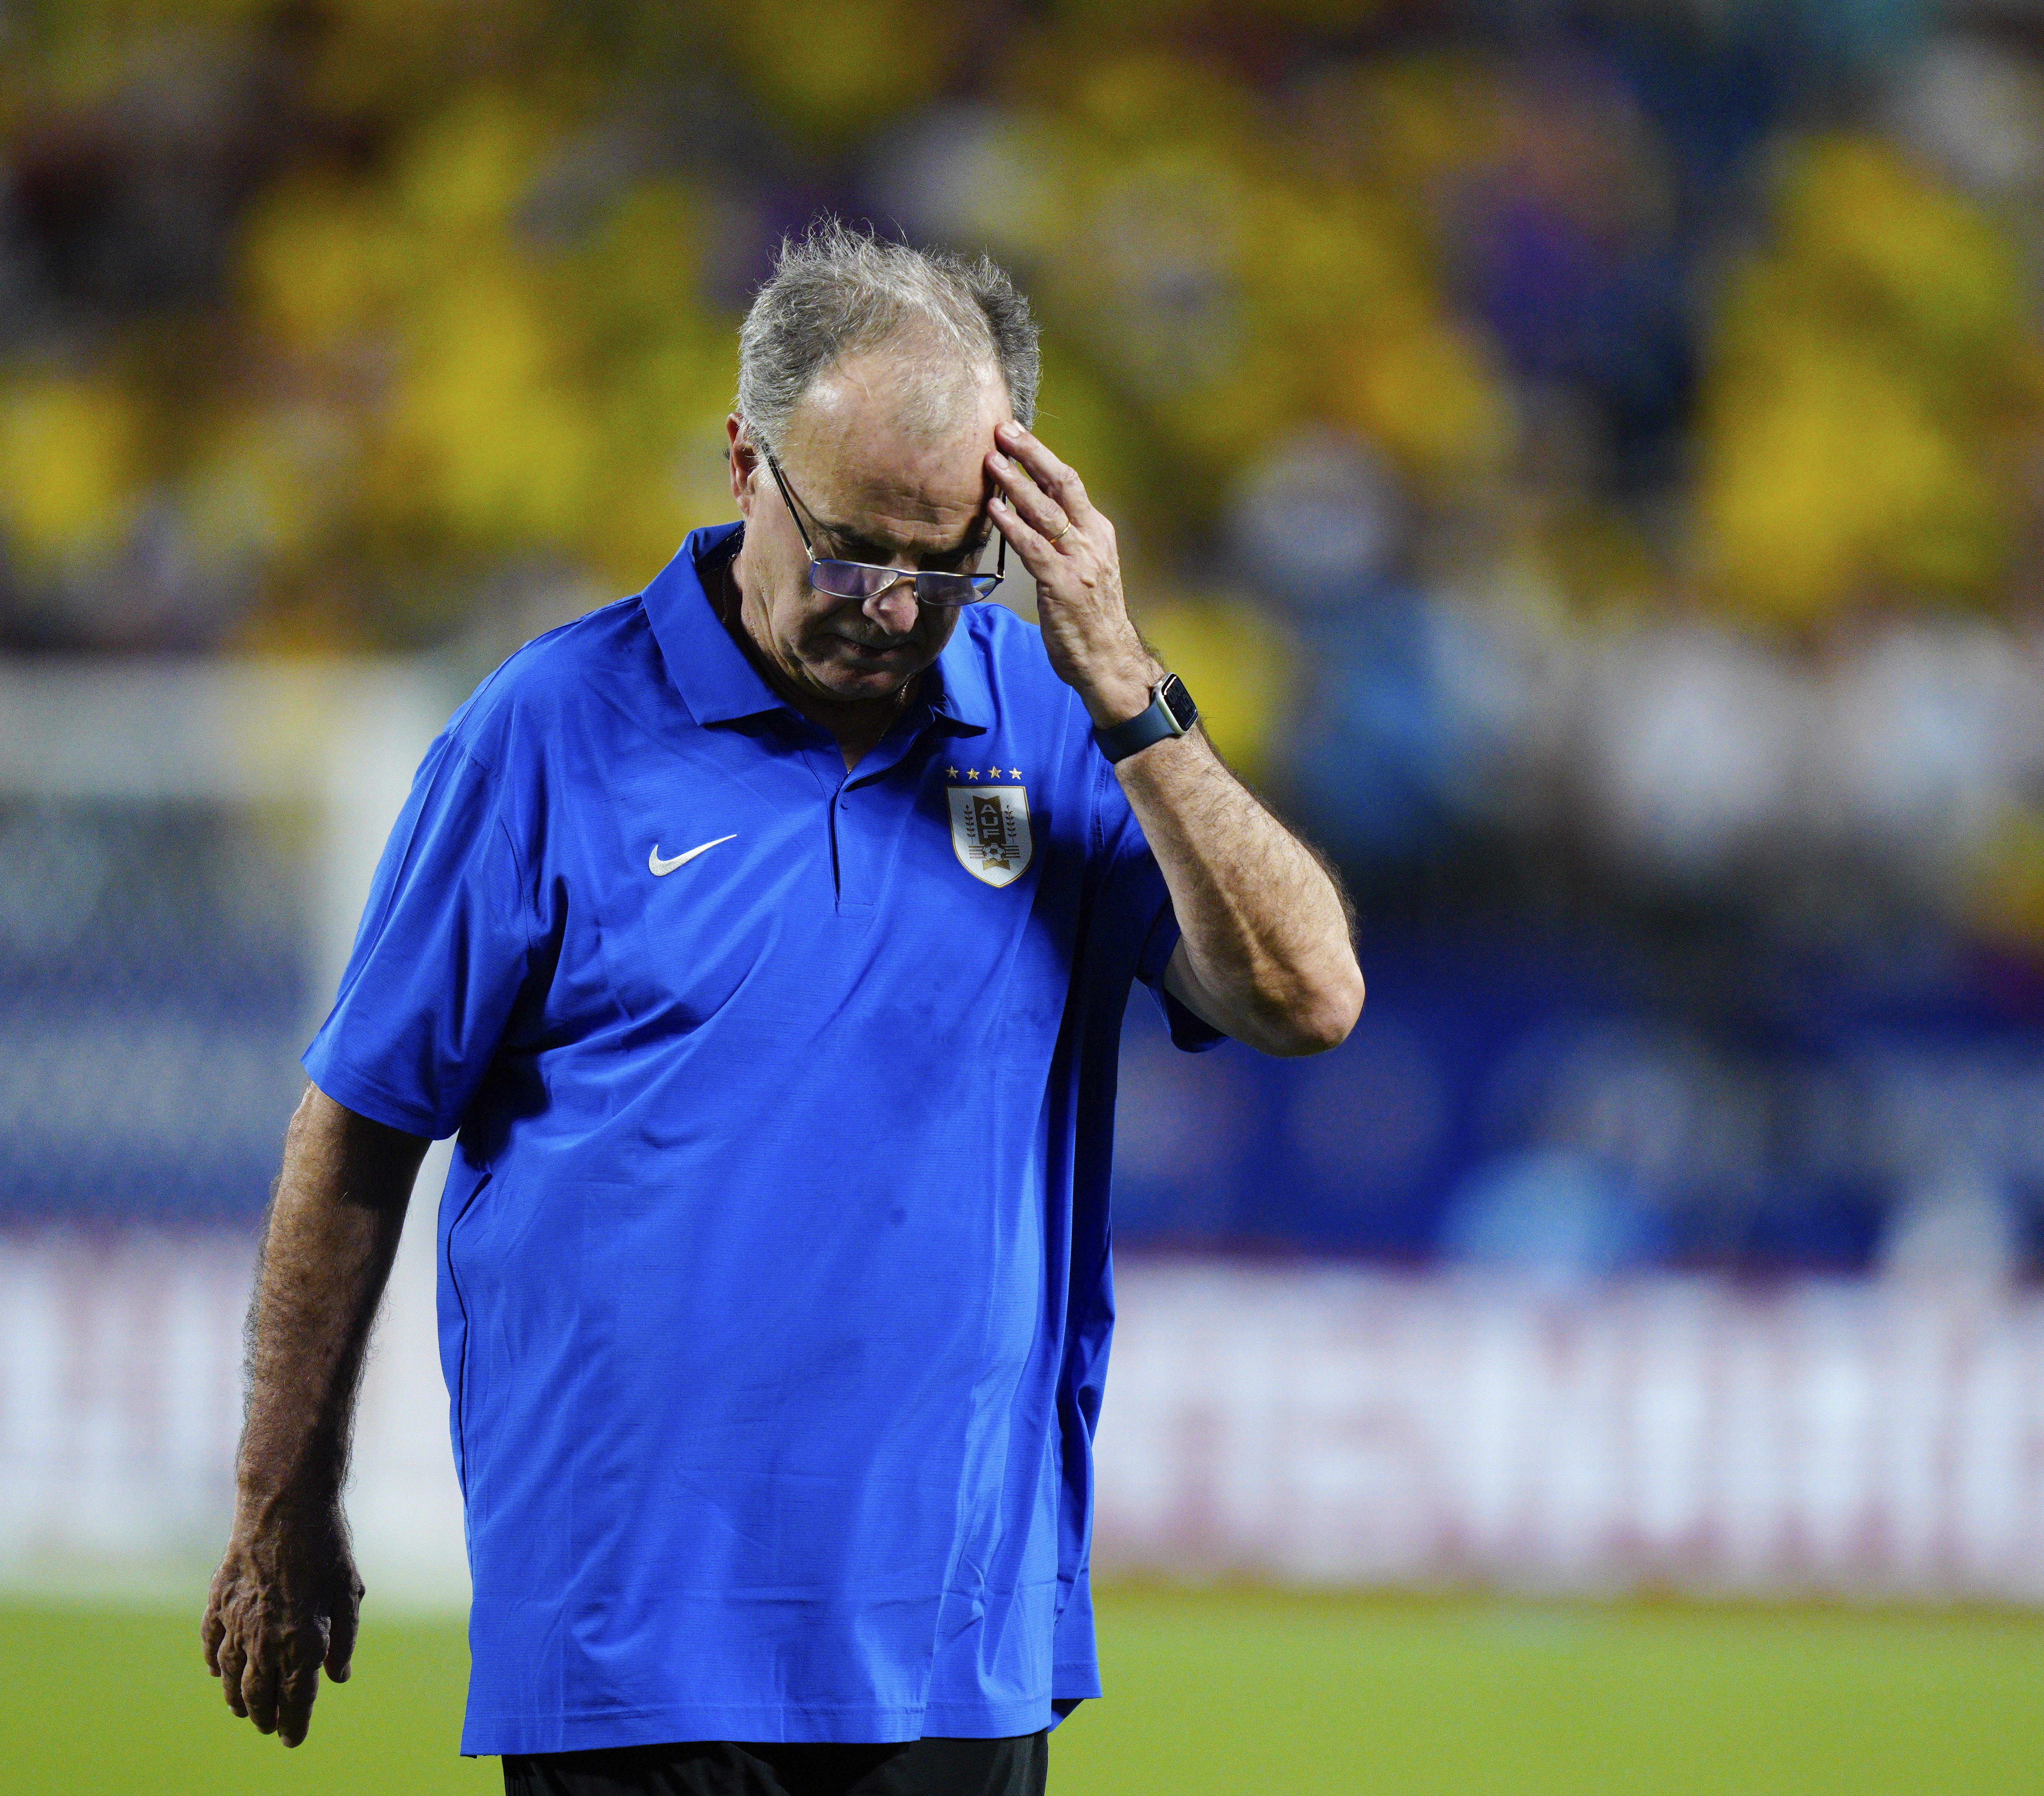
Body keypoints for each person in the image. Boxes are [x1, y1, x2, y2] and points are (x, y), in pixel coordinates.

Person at [199, 223, 1363, 1796]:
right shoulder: (545, 733)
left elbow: (1306, 995)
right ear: (744, 458)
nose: (889, 607)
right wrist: (283, 1496)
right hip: (634, 1641)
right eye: (851, 547)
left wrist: (1122, 681)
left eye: (946, 561)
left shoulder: (1047, 716)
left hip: (958, 1640)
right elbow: (356, 1132)